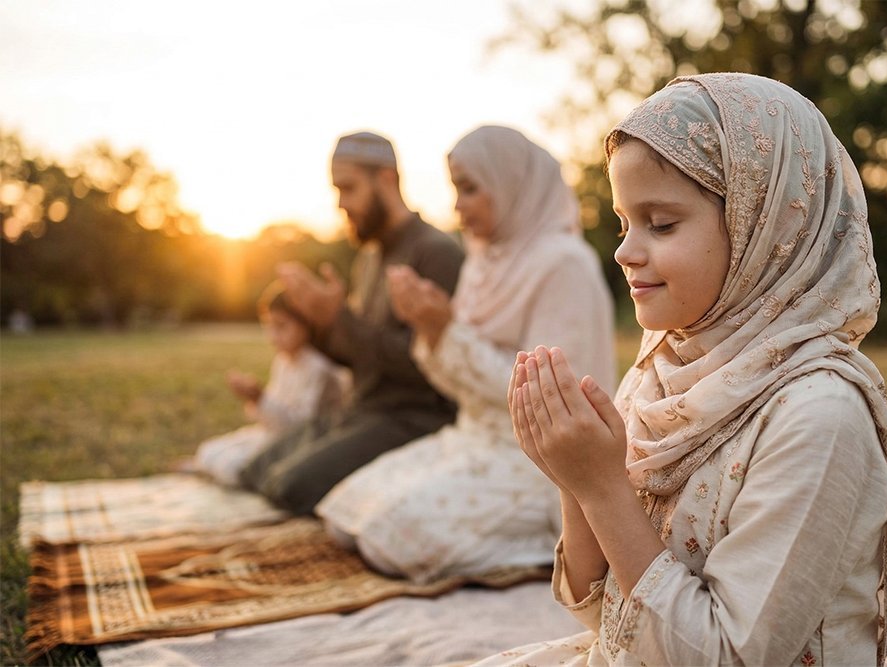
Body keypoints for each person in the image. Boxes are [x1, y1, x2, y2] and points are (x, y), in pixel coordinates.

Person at [480, 74, 887, 666]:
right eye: (623, 223)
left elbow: (727, 656)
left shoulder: (820, 416)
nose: (625, 252)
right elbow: (599, 613)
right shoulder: (660, 372)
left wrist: (604, 488)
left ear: (763, 228)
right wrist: (575, 482)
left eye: (661, 223)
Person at [315, 125, 617, 583]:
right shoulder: (483, 261)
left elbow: (548, 399)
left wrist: (446, 331)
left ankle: (553, 545)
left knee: (390, 538)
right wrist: (432, 332)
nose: (457, 207)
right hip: (470, 438)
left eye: (470, 189)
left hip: (537, 459)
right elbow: (454, 384)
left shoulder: (564, 265)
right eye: (456, 190)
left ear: (510, 182)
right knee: (344, 511)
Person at [239, 131, 465, 515]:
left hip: (412, 418)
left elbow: (427, 364)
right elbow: (362, 355)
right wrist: (324, 327)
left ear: (386, 179)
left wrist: (339, 318)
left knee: (291, 487)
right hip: (360, 410)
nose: (341, 204)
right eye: (336, 191)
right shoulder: (370, 258)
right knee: (254, 471)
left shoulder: (436, 252)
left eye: (348, 188)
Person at [192, 282, 347, 486]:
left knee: (232, 467)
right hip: (273, 434)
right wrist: (255, 399)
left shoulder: (320, 367)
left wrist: (260, 398)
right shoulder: (283, 361)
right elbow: (272, 417)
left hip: (302, 442)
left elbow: (301, 428)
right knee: (208, 451)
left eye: (282, 326)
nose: (274, 336)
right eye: (270, 327)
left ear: (307, 323)